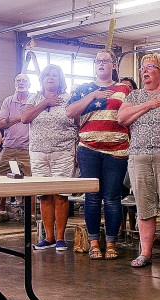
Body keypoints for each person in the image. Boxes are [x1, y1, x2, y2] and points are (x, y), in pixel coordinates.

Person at [118, 53, 160, 267]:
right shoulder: (134, 96)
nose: (145, 71)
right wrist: (150, 104)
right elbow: (121, 118)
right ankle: (145, 253)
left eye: (150, 67)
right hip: (138, 156)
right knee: (144, 207)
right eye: (143, 68)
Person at [67, 50, 131, 260]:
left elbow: (131, 115)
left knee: (112, 198)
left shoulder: (124, 89)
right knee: (92, 198)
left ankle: (111, 242)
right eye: (98, 61)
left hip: (117, 150)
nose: (101, 64)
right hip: (89, 149)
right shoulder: (84, 89)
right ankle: (94, 242)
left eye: (105, 61)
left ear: (114, 65)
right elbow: (70, 112)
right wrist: (93, 95)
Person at [21, 65, 78, 252]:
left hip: (63, 151)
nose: (50, 78)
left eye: (55, 75)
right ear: (42, 79)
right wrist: (45, 102)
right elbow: (25, 118)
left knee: (60, 194)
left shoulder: (69, 99)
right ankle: (49, 237)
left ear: (60, 79)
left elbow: (78, 124)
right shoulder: (34, 98)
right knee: (44, 195)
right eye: (47, 75)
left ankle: (61, 238)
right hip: (38, 152)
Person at [0, 74, 33, 223]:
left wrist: (11, 120)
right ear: (14, 83)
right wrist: (20, 118)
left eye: (24, 81)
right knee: (0, 177)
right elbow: (1, 124)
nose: (21, 83)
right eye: (18, 80)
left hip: (28, 148)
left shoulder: (34, 100)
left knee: (31, 180)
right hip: (9, 146)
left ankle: (32, 215)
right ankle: (1, 210)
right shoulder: (8, 101)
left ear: (29, 84)